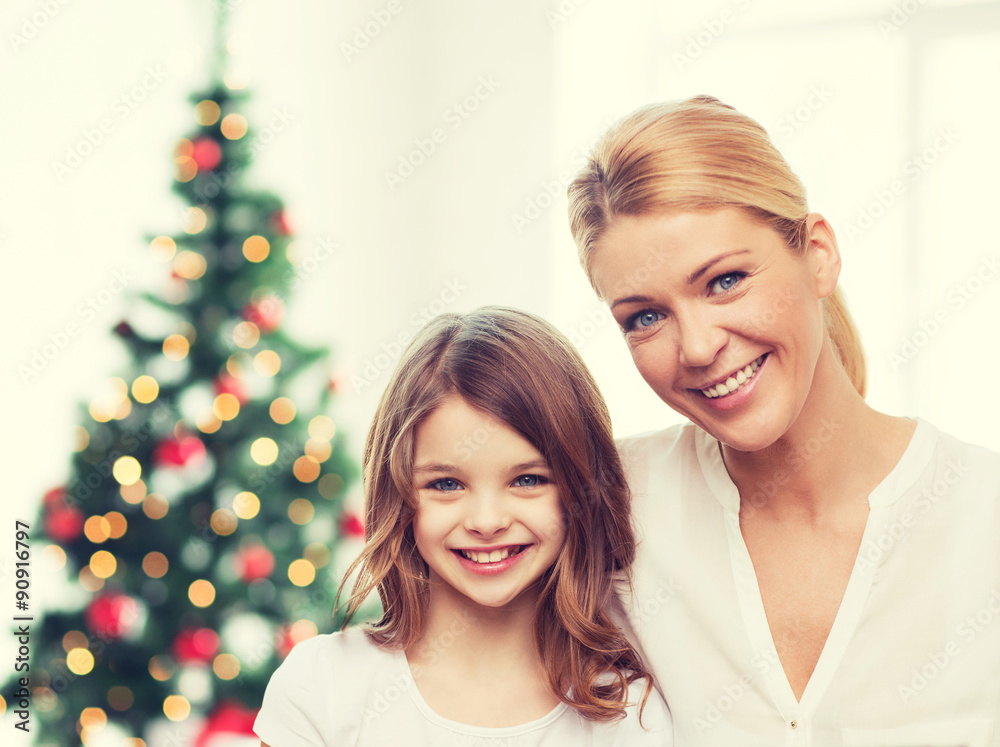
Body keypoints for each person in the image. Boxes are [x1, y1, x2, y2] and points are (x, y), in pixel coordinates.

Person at [567, 95, 1000, 746]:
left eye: (725, 281)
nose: (698, 347)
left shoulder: (982, 515)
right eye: (645, 317)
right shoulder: (607, 508)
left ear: (818, 254)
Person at [254, 307, 671, 746]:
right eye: (447, 484)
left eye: (528, 480)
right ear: (397, 495)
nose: (487, 522)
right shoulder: (322, 687)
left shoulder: (628, 712)